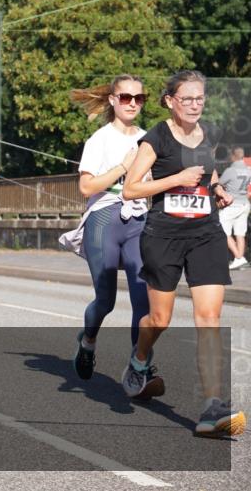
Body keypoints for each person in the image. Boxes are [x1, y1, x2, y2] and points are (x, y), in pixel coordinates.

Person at [122, 70, 245, 437]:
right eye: (187, 98)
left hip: (206, 233)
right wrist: (176, 179)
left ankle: (211, 408)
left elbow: (207, 172)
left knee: (209, 317)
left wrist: (218, 187)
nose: (195, 104)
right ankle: (139, 360)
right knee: (159, 318)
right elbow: (130, 189)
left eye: (200, 98)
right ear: (170, 101)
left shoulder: (208, 134)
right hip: (164, 235)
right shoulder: (156, 137)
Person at [66, 76, 151, 382]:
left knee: (144, 299)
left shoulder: (150, 138)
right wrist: (122, 168)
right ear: (113, 100)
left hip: (138, 218)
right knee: (106, 300)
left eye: (138, 98)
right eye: (126, 97)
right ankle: (87, 342)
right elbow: (86, 186)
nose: (132, 103)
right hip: (104, 218)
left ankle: (139, 368)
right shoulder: (99, 140)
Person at [219, 147, 249, 270]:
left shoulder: (231, 170)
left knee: (222, 230)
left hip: (232, 204)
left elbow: (219, 183)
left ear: (233, 156)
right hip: (245, 203)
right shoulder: (248, 170)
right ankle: (239, 260)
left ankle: (238, 257)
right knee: (240, 233)